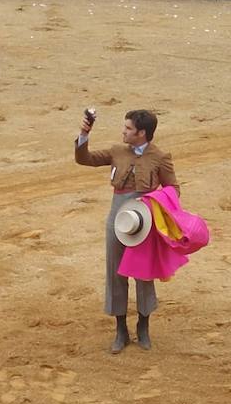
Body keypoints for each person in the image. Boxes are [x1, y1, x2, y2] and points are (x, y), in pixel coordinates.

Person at [74, 107, 178, 354]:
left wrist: (157, 209)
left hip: (145, 223)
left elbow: (173, 189)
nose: (124, 131)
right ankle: (121, 330)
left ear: (142, 133)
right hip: (117, 219)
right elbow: (84, 159)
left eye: (128, 128)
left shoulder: (159, 157)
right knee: (116, 272)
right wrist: (84, 133)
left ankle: (143, 326)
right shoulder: (116, 151)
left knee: (143, 274)